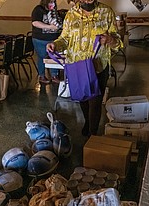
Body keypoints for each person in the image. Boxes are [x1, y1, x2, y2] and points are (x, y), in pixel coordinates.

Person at [47, 0, 123, 136]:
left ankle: (93, 134)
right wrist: (55, 45)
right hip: (78, 66)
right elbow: (64, 39)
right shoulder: (71, 14)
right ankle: (87, 121)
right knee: (83, 98)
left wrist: (110, 39)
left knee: (95, 101)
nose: (88, 0)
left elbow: (117, 39)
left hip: (99, 65)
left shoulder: (106, 12)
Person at [31, 0, 62, 84]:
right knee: (42, 57)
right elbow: (35, 23)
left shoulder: (54, 11)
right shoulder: (38, 9)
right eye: (51, 2)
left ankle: (54, 75)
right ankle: (41, 76)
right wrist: (50, 27)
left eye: (54, 2)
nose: (53, 4)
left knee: (54, 57)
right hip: (40, 39)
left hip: (53, 39)